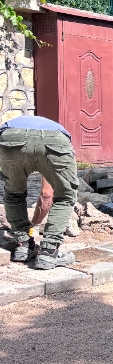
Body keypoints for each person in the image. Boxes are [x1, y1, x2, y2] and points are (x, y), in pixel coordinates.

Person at [1, 115, 78, 269]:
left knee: (13, 194)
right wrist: (36, 222)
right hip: (54, 141)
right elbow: (47, 194)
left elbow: (45, 194)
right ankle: (49, 252)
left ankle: (23, 245)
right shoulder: (57, 132)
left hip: (10, 137)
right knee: (65, 196)